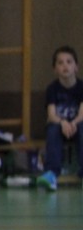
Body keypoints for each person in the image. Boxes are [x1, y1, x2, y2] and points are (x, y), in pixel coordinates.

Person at [38, 45, 83, 191]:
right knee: (52, 129)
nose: (65, 66)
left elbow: (82, 114)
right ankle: (51, 174)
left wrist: (73, 123)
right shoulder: (52, 89)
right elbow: (51, 115)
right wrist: (63, 123)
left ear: (76, 67)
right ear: (55, 69)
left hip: (77, 125)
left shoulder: (81, 87)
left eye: (69, 62)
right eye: (60, 63)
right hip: (60, 126)